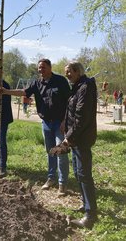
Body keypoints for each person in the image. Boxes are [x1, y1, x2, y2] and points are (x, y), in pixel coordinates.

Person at [0, 59, 71, 195]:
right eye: (39, 68)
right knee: (50, 150)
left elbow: (69, 101)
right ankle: (51, 178)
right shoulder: (37, 83)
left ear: (50, 67)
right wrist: (6, 91)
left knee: (61, 151)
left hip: (60, 123)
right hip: (46, 123)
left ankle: (63, 183)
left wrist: (65, 121)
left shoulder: (60, 81)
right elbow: (24, 92)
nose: (41, 70)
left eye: (43, 67)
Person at [51, 62, 98, 229]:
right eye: (66, 73)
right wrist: (65, 123)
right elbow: (70, 108)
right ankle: (86, 205)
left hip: (82, 138)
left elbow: (81, 118)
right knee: (79, 173)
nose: (67, 75)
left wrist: (67, 139)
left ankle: (90, 215)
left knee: (84, 175)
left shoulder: (85, 88)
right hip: (76, 138)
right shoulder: (77, 86)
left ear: (78, 71)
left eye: (69, 72)